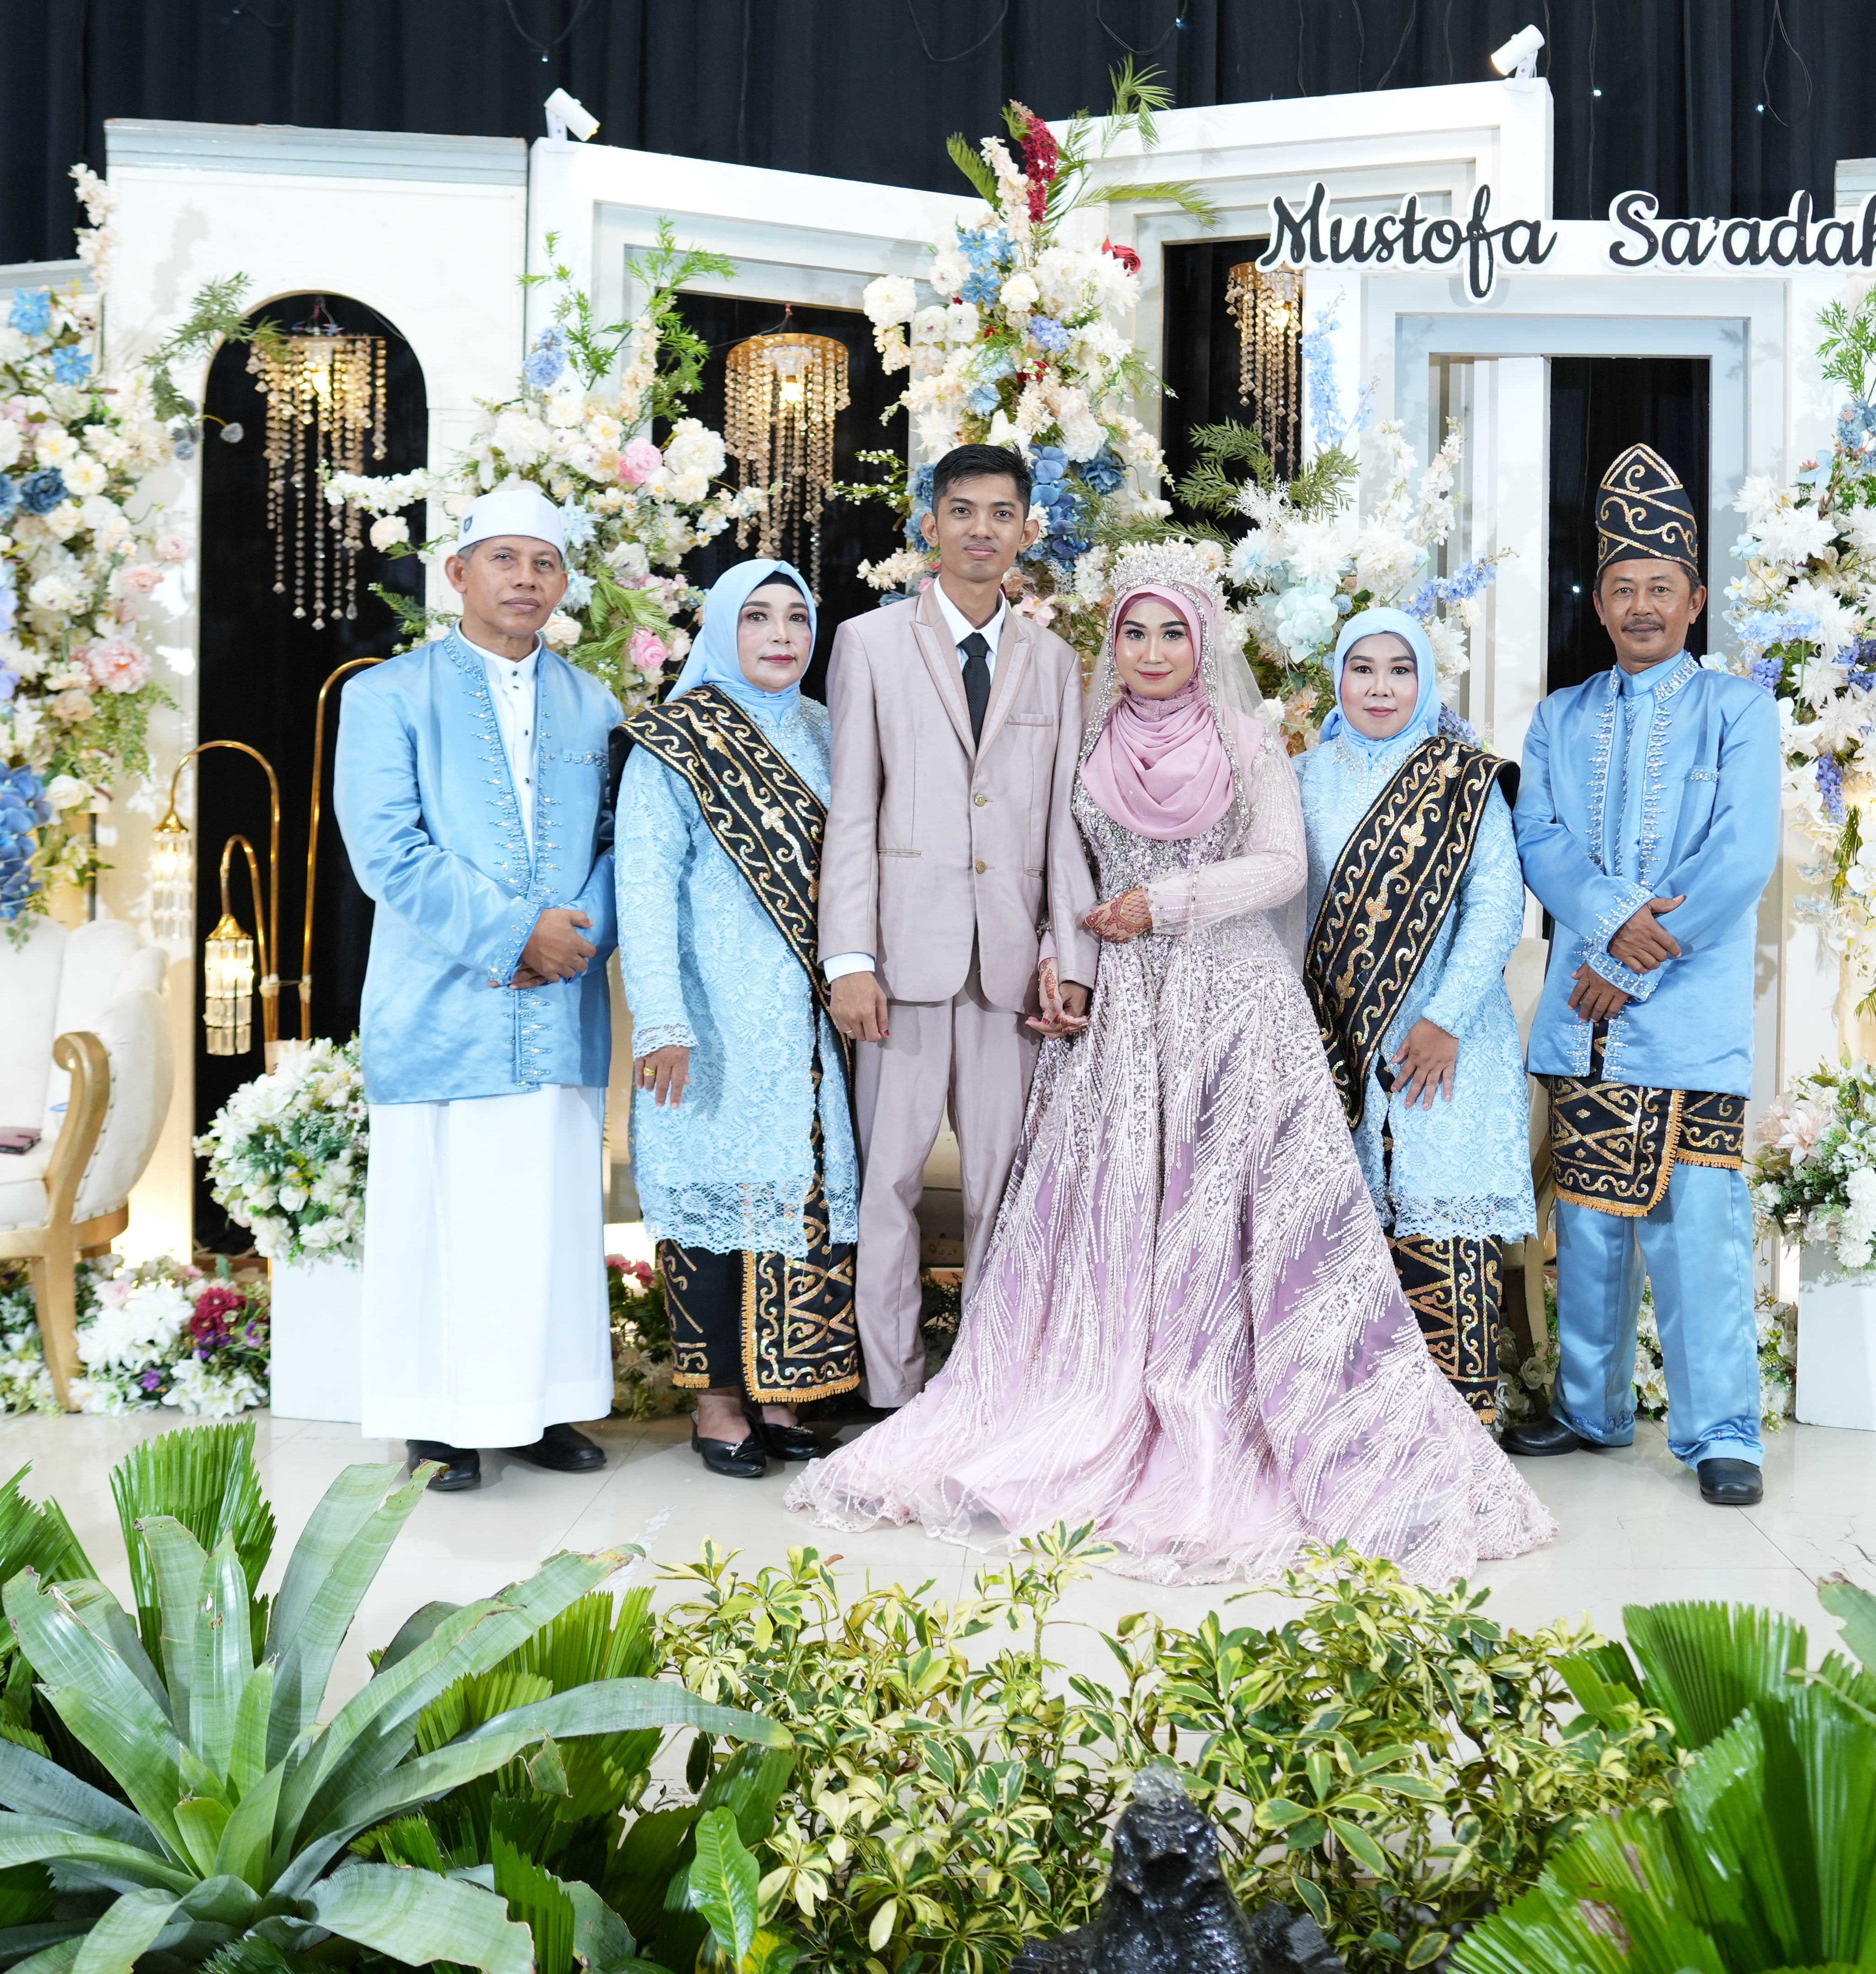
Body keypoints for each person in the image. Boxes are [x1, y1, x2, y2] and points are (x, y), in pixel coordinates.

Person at [787, 547, 1557, 1586]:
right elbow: (1061, 866)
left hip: (1232, 1004)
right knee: (1112, 1216)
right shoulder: (1088, 737)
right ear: (1114, 643)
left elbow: (1282, 865)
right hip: (1120, 1014)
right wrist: (1064, 953)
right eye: (1135, 633)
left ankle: (1241, 1401)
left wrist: (1169, 903)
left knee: (1233, 1219)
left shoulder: (1249, 739)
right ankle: (1088, 1393)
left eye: (1172, 633)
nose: (1152, 653)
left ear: (1203, 643)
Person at [1501, 443, 1780, 1505]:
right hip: (1586, 1015)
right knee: (1587, 1223)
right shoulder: (1562, 715)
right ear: (1600, 603)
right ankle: (1592, 1408)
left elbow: (1741, 855)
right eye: (1623, 588)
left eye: (1662, 587)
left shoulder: (1738, 710)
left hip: (1688, 1021)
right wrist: (1614, 925)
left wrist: (1630, 961)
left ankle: (1722, 1432)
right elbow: (1541, 838)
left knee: (1697, 1228)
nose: (1642, 606)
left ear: (1696, 599)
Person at [334, 483, 625, 1492]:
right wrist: (516, 934)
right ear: (458, 573)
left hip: (562, 1000)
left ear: (564, 581)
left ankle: (538, 1406)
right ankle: (438, 1421)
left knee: (546, 1215)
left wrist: (581, 936)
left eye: (544, 563)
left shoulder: (595, 703)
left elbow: (619, 843)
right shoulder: (388, 695)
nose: (526, 580)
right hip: (440, 1001)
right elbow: (387, 850)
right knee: (442, 1214)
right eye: (505, 559)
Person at [819, 443, 1099, 1407]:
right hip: (899, 962)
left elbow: (1063, 824)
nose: (983, 529)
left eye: (1002, 513)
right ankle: (890, 1393)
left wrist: (1072, 956)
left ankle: (986, 1391)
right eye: (964, 511)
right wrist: (850, 957)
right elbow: (852, 811)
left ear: (1028, 531)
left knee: (1002, 1187)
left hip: (1010, 969)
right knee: (889, 1184)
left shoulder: (1055, 662)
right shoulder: (868, 643)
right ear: (930, 524)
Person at [616, 558, 859, 1478]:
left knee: (801, 1194)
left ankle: (783, 1387)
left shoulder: (831, 731)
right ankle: (718, 1400)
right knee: (715, 1190)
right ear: (722, 628)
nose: (782, 635)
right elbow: (644, 886)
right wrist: (662, 1021)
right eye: (757, 616)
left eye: (797, 617)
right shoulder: (674, 740)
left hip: (811, 1017)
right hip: (711, 1015)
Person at [1294, 609, 1531, 1425]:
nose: (1381, 688)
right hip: (1332, 1039)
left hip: (1451, 1040)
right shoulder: (1298, 778)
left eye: (1400, 670)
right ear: (1338, 678)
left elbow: (1496, 905)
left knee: (1441, 1203)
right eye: (1362, 669)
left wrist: (1444, 1018)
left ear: (1426, 681)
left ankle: (1457, 1421)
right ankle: (1353, 1420)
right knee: (1339, 1219)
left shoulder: (1464, 780)